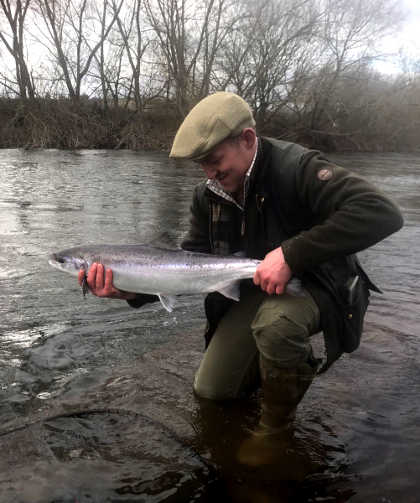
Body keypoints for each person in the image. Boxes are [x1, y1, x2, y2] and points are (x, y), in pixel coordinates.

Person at [79, 92, 403, 467]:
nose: (210, 174)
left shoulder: (298, 167)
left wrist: (290, 255)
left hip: (321, 282)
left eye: (215, 161)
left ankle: (276, 428)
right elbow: (187, 267)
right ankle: (275, 371)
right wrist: (129, 290)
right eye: (202, 165)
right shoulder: (208, 196)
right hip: (252, 282)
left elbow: (382, 213)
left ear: (247, 140)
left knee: (277, 325)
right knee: (213, 390)